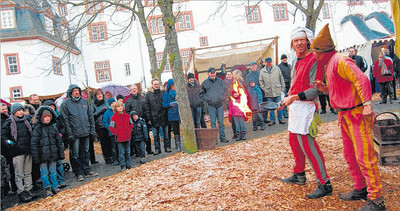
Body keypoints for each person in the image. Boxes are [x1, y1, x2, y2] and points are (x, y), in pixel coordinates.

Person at [312, 24, 385, 210]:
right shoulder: (330, 63)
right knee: (350, 154)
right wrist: (326, 90)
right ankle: (360, 187)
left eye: (316, 52)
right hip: (345, 114)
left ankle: (377, 199)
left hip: (357, 114)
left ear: (323, 51)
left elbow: (361, 79)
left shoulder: (340, 61)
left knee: (364, 155)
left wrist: (367, 104)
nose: (314, 55)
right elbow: (343, 91)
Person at [280, 26, 332, 199]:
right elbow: (295, 82)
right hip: (295, 105)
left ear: (307, 41)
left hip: (306, 106)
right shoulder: (296, 60)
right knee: (294, 142)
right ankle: (299, 174)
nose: (299, 43)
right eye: (296, 41)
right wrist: (287, 98)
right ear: (292, 44)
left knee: (309, 146)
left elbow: (315, 89)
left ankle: (324, 183)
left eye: (301, 40)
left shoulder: (313, 59)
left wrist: (294, 97)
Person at [59, 84, 98, 182]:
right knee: (75, 154)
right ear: (70, 92)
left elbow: (90, 117)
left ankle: (86, 169)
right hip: (74, 133)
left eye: (78, 90)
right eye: (74, 90)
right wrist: (69, 134)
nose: (76, 92)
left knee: (86, 152)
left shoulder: (84, 102)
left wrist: (92, 130)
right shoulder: (65, 104)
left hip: (85, 131)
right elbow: (65, 121)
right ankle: (78, 173)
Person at [1, 103, 36, 202]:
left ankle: (29, 188)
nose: (21, 112)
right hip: (17, 152)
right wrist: (13, 145)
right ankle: (21, 191)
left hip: (28, 150)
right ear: (14, 111)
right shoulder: (8, 123)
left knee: (27, 171)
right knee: (19, 173)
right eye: (19, 110)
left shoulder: (26, 121)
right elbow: (4, 137)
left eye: (22, 110)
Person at [31, 106, 65, 197]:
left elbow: (58, 142)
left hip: (53, 154)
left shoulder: (53, 128)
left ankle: (55, 186)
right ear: (41, 118)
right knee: (44, 173)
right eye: (45, 117)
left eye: (49, 117)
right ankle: (47, 188)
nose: (47, 119)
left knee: (53, 172)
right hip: (42, 156)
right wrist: (36, 158)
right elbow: (34, 145)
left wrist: (60, 154)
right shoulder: (37, 129)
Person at [43, 100, 67, 189]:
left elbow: (63, 127)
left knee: (59, 162)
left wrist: (60, 134)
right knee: (50, 166)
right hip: (48, 144)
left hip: (58, 141)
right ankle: (53, 183)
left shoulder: (58, 117)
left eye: (52, 106)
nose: (51, 108)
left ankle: (61, 179)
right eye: (49, 106)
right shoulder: (45, 119)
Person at [200, 68, 228, 143]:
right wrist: (208, 100)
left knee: (221, 122)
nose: (213, 74)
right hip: (211, 105)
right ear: (208, 74)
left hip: (220, 104)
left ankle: (222, 137)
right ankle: (214, 139)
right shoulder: (205, 83)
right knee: (213, 123)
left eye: (214, 72)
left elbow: (225, 90)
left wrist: (223, 98)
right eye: (211, 73)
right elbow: (201, 94)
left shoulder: (221, 81)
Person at [145, 79, 171, 155]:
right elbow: (147, 106)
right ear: (152, 85)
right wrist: (149, 117)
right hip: (154, 117)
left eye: (157, 84)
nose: (156, 85)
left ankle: (167, 147)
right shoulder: (148, 94)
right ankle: (157, 149)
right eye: (155, 84)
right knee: (156, 135)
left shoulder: (163, 92)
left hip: (163, 116)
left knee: (166, 133)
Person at [125, 85, 153, 155]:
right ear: (130, 91)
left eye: (135, 89)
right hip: (134, 122)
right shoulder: (128, 101)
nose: (134, 90)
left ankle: (149, 149)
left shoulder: (142, 98)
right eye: (132, 89)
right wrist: (131, 120)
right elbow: (127, 112)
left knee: (146, 135)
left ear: (137, 90)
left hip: (143, 120)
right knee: (136, 136)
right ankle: (138, 151)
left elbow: (146, 108)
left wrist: (148, 118)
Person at [259, 57, 285, 126]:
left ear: (271, 62)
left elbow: (281, 78)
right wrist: (265, 89)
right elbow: (261, 82)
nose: (268, 64)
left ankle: (281, 119)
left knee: (279, 106)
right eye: (267, 62)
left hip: (277, 91)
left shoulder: (277, 69)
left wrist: (282, 87)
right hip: (269, 92)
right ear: (265, 63)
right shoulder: (262, 71)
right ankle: (272, 120)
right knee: (271, 108)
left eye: (269, 62)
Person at [91, 89, 113, 164]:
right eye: (98, 94)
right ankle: (107, 158)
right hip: (100, 125)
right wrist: (100, 112)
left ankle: (112, 156)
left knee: (110, 141)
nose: (100, 95)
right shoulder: (93, 104)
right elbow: (92, 116)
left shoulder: (106, 102)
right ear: (95, 96)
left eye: (100, 94)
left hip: (108, 123)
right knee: (104, 142)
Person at [109, 102, 133, 171]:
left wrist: (129, 131)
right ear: (116, 108)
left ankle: (128, 164)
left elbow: (131, 124)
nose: (120, 108)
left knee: (128, 152)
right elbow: (111, 127)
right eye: (118, 106)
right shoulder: (113, 117)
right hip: (119, 138)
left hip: (127, 137)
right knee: (121, 152)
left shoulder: (127, 116)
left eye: (121, 106)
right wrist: (117, 133)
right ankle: (123, 165)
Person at [162, 79, 182, 151]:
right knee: (170, 130)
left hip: (178, 113)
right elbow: (164, 104)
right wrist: (170, 104)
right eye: (172, 85)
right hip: (171, 114)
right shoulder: (166, 94)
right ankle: (169, 145)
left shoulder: (178, 92)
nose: (174, 86)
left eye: (174, 85)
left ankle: (178, 145)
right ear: (170, 86)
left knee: (177, 130)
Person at [103, 98, 119, 165]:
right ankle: (115, 159)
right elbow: (105, 122)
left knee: (119, 145)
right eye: (112, 103)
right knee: (113, 146)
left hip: (119, 131)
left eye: (114, 103)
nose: (113, 104)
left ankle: (120, 158)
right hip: (112, 132)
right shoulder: (107, 112)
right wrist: (109, 128)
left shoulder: (118, 111)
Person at [278, 54, 292, 118]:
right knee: (284, 99)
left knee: (290, 99)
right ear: (281, 59)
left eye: (285, 58)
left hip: (290, 84)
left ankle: (291, 112)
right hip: (283, 85)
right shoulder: (279, 67)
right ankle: (284, 113)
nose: (284, 59)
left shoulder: (289, 66)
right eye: (283, 58)